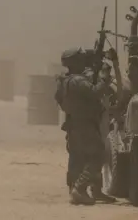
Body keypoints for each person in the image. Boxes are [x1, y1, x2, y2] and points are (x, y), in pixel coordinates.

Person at [55, 47, 114, 205]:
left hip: (74, 123)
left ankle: (80, 189)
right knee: (97, 155)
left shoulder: (64, 80)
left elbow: (59, 99)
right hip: (84, 124)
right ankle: (80, 189)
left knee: (78, 157)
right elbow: (96, 92)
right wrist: (104, 78)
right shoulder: (78, 81)